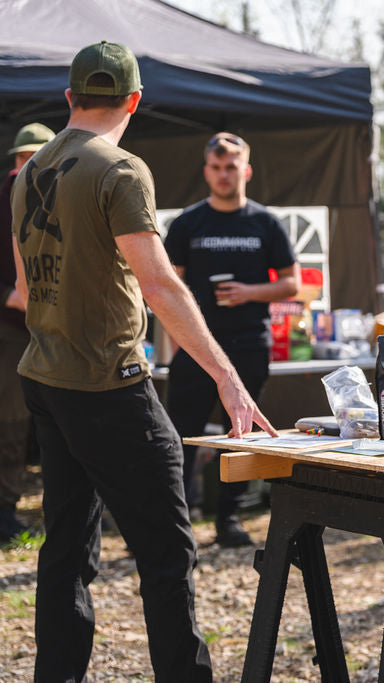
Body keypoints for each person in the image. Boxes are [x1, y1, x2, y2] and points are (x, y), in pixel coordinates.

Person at [11, 41, 274, 681]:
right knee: (166, 551)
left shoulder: (27, 174)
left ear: (70, 97)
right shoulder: (120, 169)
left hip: (46, 375)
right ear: (134, 101)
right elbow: (160, 286)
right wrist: (228, 377)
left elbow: (23, 291)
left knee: (66, 549)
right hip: (107, 384)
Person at [164, 132, 298, 547]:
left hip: (249, 345)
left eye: (232, 167)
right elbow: (167, 287)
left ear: (247, 170)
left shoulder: (265, 223)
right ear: (206, 171)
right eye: (217, 167)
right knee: (180, 436)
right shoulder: (188, 223)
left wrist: (249, 292)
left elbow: (292, 283)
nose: (224, 175)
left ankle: (229, 520)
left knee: (239, 437)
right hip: (196, 348)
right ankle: (175, 525)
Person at [1, 123, 53, 542]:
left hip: (50, 328)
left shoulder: (56, 196)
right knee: (11, 421)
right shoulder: (5, 200)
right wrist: (8, 297)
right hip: (11, 331)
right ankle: (4, 509)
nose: (28, 166)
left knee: (41, 420)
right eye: (24, 159)